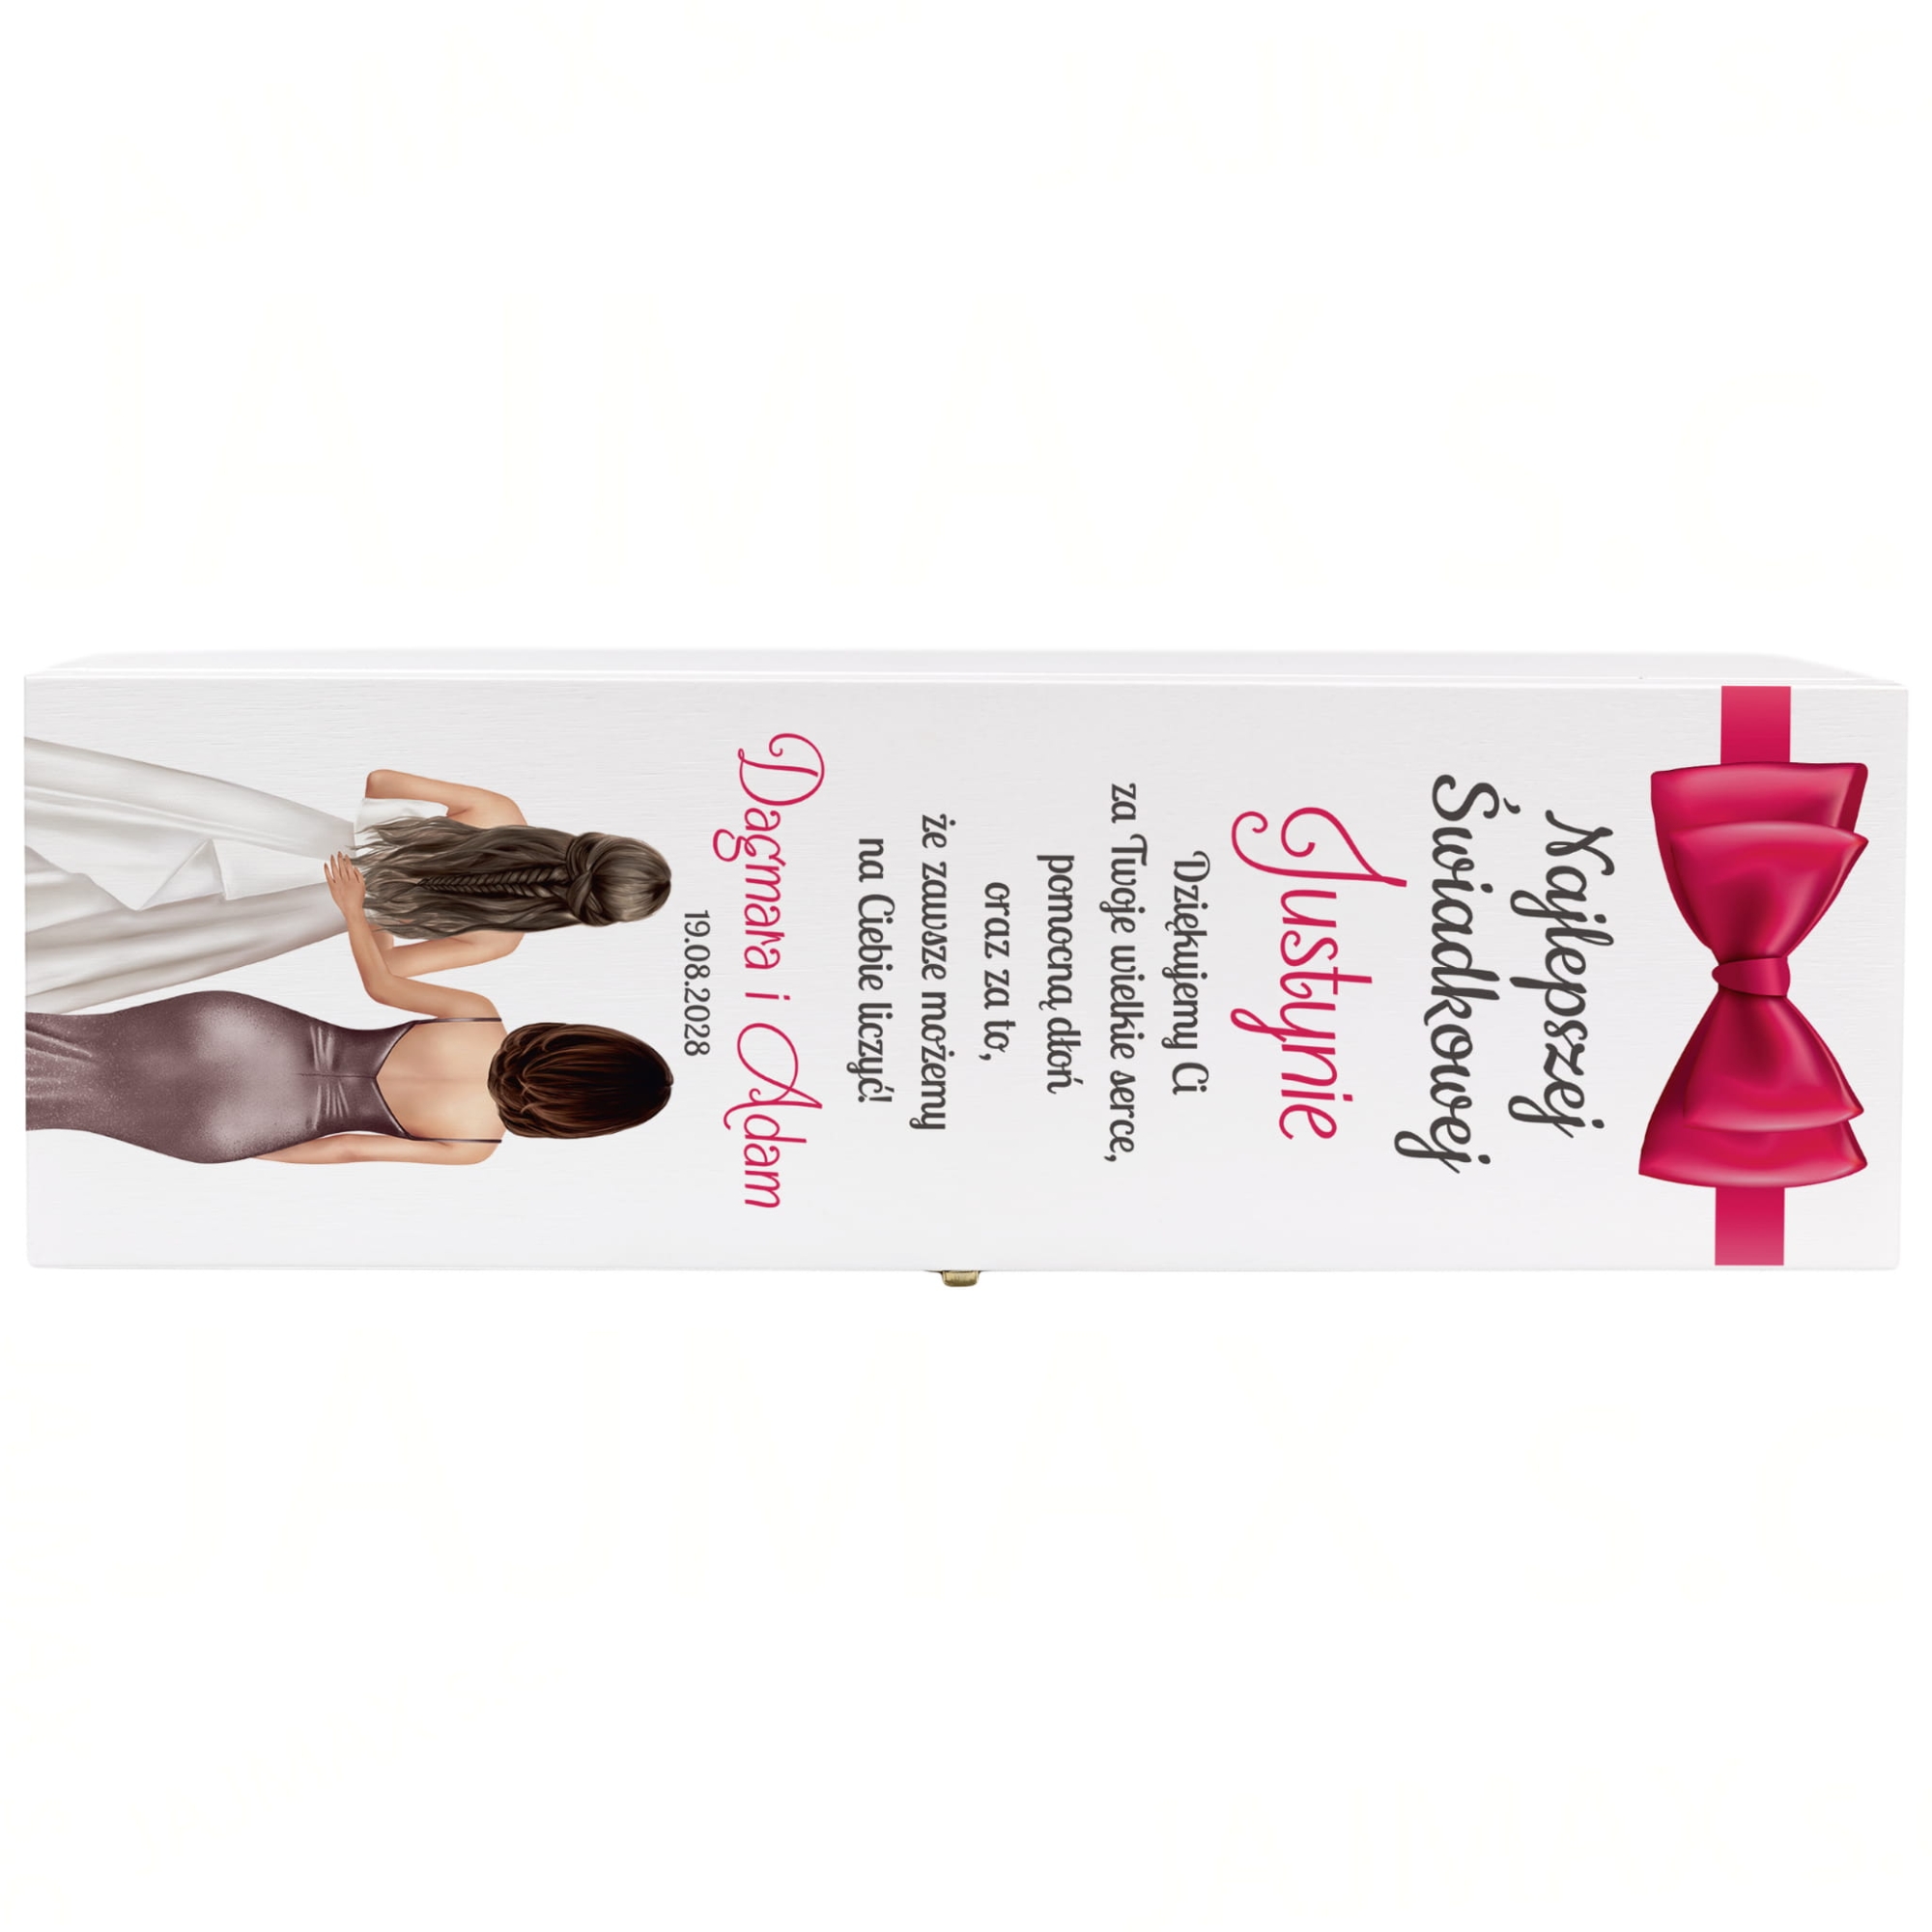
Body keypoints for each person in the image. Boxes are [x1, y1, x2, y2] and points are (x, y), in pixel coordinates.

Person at [26, 854, 671, 1165]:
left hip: (238, 1035)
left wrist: (357, 910)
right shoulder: (476, 1144)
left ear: (579, 1042)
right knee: (69, 1106)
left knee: (65, 1040)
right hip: (238, 1124)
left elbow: (381, 984)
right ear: (581, 1117)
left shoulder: (480, 1018)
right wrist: (235, 1143)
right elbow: (345, 1152)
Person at [26, 738, 670, 1012]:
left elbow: (383, 780)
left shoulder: (500, 813)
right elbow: (385, 975)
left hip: (305, 842)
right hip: (310, 906)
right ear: (587, 915)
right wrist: (364, 908)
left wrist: (374, 864)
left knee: (127, 829)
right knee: (135, 926)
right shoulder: (501, 939)